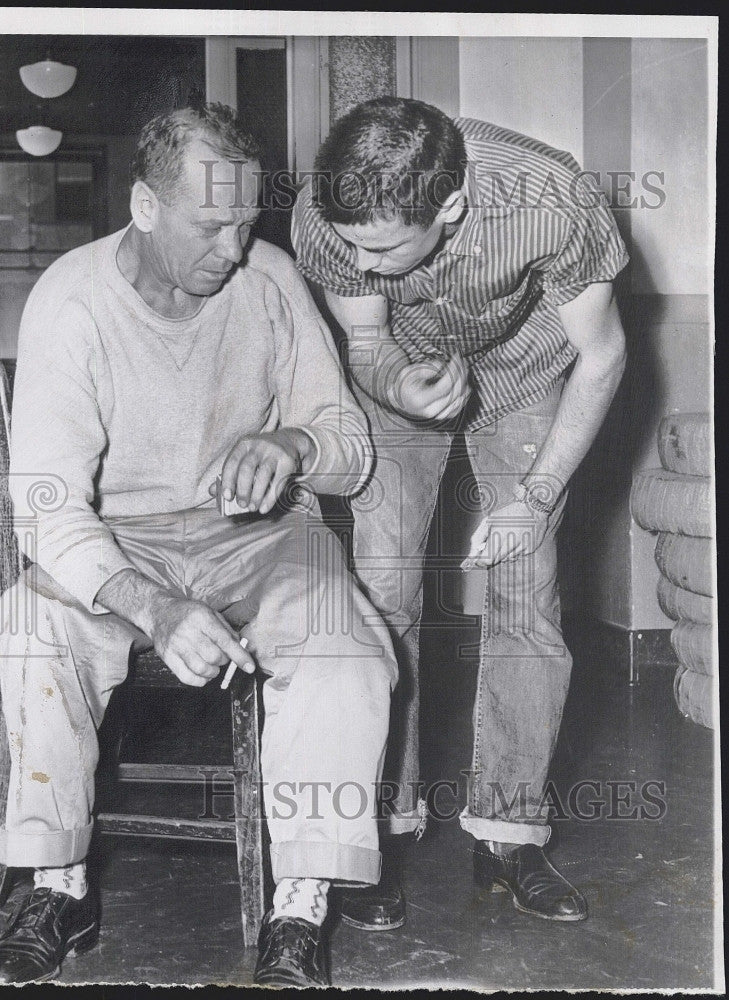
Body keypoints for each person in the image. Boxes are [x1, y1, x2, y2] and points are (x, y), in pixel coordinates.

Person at [0, 104, 398, 988]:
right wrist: (152, 604)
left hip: (254, 537)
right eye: (210, 226)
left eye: (247, 224)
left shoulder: (272, 280)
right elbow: (46, 507)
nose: (233, 248)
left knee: (345, 641)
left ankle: (300, 903)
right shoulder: (70, 300)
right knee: (27, 624)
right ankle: (56, 885)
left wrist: (292, 447)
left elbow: (349, 452)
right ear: (142, 205)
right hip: (116, 541)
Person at [291, 96, 628, 927]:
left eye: (382, 248)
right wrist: (395, 381)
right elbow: (364, 338)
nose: (362, 266)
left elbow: (602, 352)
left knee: (526, 596)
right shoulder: (323, 212)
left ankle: (508, 836)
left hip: (524, 379)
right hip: (402, 379)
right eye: (351, 247)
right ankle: (381, 828)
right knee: (383, 593)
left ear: (450, 207)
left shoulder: (551, 199)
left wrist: (537, 495)